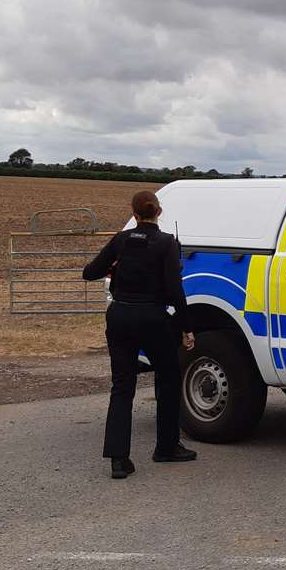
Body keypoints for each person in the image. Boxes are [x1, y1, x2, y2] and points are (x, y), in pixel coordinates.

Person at [82, 190, 198, 479]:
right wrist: (186, 327)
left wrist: (114, 265)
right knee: (168, 379)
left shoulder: (121, 241)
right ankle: (167, 447)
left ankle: (119, 460)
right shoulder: (167, 243)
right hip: (154, 319)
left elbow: (89, 272)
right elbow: (175, 290)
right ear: (158, 213)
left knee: (122, 387)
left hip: (120, 317)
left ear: (134, 215)